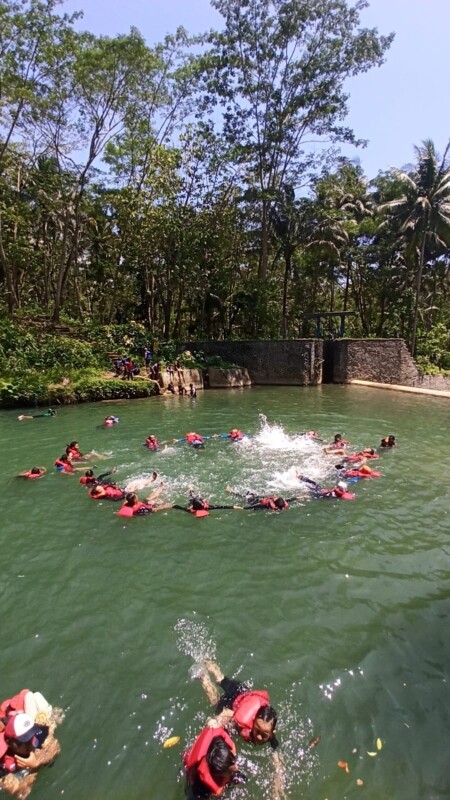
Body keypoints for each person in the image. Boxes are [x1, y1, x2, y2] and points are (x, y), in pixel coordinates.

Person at [0, 711, 61, 799]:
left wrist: (37, 762)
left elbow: (56, 747)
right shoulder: (3, 765)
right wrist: (34, 768)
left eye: (31, 736)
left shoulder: (39, 734)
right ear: (9, 743)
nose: (30, 743)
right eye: (24, 740)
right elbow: (22, 793)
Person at [183, 724, 242, 798]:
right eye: (229, 771)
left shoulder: (222, 748)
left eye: (232, 761)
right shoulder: (202, 780)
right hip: (199, 784)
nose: (236, 767)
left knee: (238, 777)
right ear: (218, 775)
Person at [173, 492, 242, 518]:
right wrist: (239, 507)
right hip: (193, 501)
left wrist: (239, 507)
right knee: (191, 495)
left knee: (196, 495)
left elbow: (176, 506)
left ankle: (191, 489)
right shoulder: (190, 509)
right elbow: (226, 507)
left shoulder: (207, 507)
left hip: (198, 501)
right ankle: (190, 488)